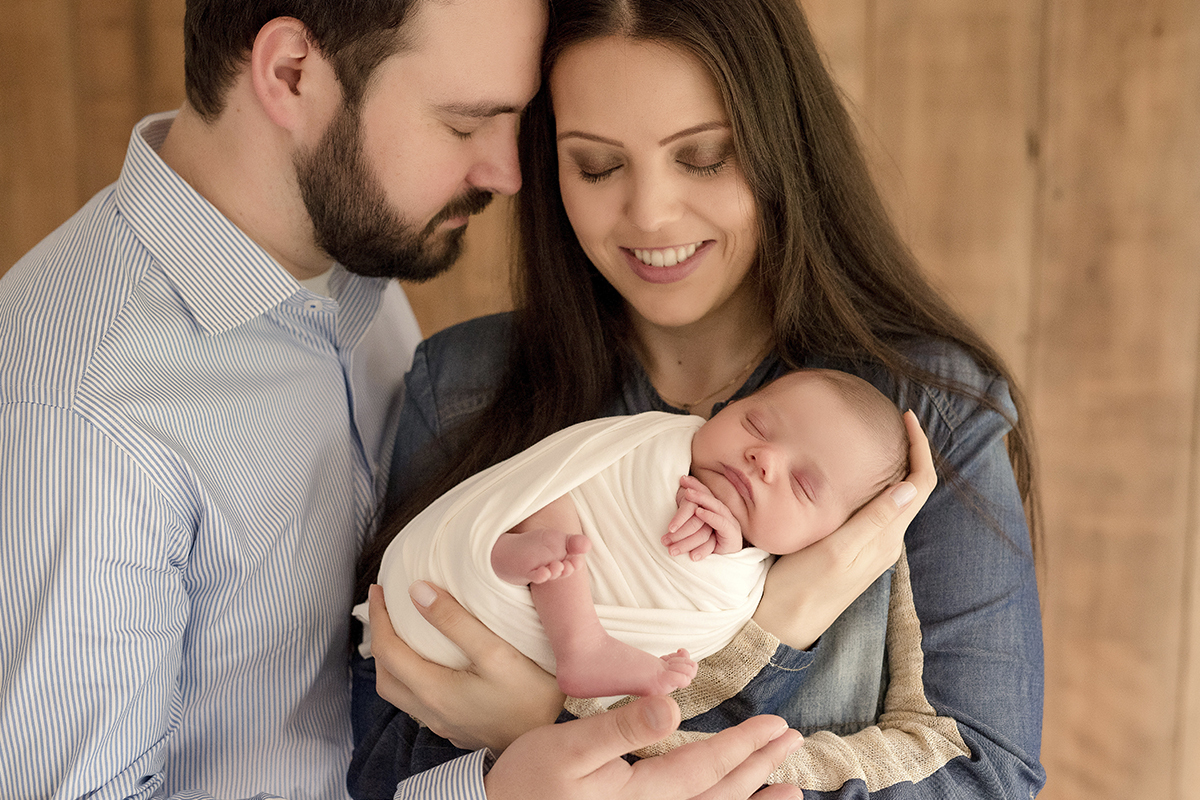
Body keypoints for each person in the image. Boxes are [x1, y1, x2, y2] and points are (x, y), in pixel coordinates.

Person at [351, 0, 1045, 798]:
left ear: (782, 144)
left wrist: (549, 735)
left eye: (705, 157)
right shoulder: (465, 384)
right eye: (598, 166)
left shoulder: (923, 413)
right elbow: (378, 768)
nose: (649, 214)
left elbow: (986, 778)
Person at [0, 0, 549, 796]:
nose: (506, 171)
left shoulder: (352, 270)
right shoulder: (80, 413)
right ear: (291, 73)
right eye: (465, 126)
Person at [363, 368, 908, 703]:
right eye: (756, 425)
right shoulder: (657, 442)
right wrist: (667, 501)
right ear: (726, 406)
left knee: (563, 544)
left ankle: (512, 571)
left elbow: (703, 604)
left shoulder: (748, 579)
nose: (764, 459)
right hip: (427, 591)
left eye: (803, 485)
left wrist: (727, 551)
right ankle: (536, 594)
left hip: (481, 662)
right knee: (552, 497)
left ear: (829, 537)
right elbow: (576, 469)